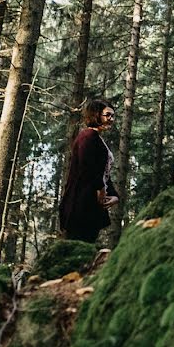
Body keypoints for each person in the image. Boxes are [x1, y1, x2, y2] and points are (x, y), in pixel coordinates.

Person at [59, 99, 119, 243]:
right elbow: (88, 169)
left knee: (87, 249)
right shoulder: (87, 137)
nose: (111, 119)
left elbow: (103, 173)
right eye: (107, 115)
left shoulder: (96, 138)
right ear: (96, 114)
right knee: (77, 252)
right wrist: (100, 190)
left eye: (113, 116)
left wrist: (114, 195)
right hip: (80, 205)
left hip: (90, 206)